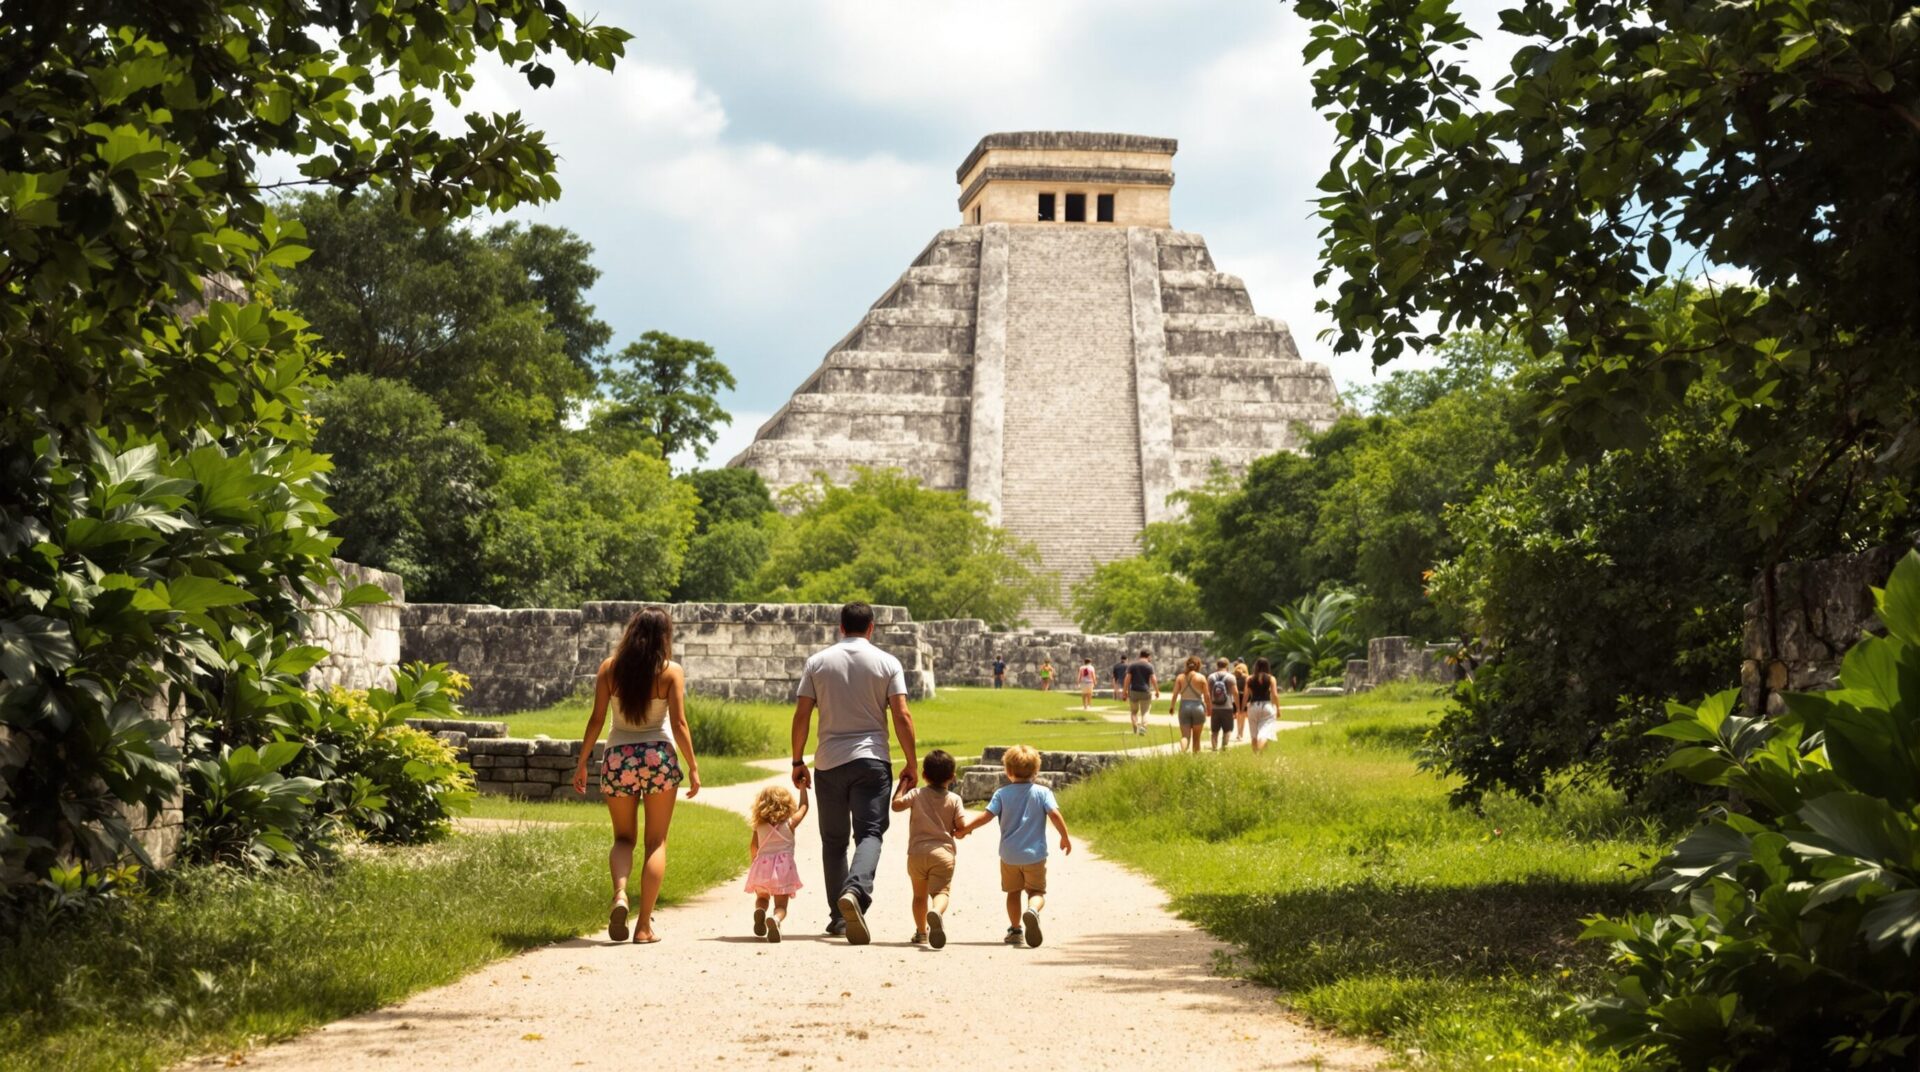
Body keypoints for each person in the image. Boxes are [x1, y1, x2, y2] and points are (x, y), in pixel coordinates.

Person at [791, 601, 918, 944]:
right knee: (870, 834)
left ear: (841, 627)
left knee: (833, 842)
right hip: (872, 760)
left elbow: (802, 715)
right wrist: (911, 761)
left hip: (829, 762)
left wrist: (797, 761)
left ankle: (839, 916)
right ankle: (856, 891)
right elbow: (902, 716)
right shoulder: (888, 663)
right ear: (871, 627)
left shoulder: (817, 663)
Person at [573, 608, 701, 945]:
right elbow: (679, 725)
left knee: (623, 839)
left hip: (618, 758)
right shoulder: (670, 672)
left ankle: (619, 895)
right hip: (658, 757)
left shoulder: (609, 668)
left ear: (631, 632)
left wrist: (583, 762)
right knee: (656, 841)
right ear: (665, 636)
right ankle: (643, 926)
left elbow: (597, 719)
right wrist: (693, 767)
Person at [957, 745, 1071, 948]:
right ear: (1036, 772)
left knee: (1013, 892)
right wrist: (1065, 836)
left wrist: (965, 829)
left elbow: (986, 817)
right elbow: (1054, 814)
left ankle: (1015, 929)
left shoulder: (1002, 794)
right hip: (1035, 855)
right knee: (1036, 892)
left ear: (1008, 772)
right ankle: (1033, 911)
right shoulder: (1043, 792)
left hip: (1009, 855)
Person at [889, 749, 965, 949]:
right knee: (941, 891)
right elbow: (962, 826)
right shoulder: (955, 799)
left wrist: (903, 784)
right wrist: (959, 831)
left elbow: (896, 805)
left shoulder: (916, 794)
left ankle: (921, 932)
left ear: (924, 776)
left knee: (919, 896)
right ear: (952, 777)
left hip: (917, 854)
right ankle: (937, 912)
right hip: (943, 854)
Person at [744, 785, 809, 943]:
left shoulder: (758, 826)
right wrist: (802, 789)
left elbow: (753, 847)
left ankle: (760, 910)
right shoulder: (790, 822)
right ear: (787, 804)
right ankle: (776, 919)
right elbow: (803, 807)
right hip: (782, 869)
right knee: (781, 905)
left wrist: (754, 864)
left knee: (763, 897)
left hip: (762, 867)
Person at [1167, 655, 1209, 754]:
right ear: (1198, 666)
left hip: (1184, 707)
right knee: (1197, 738)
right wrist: (1209, 708)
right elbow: (1207, 696)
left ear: (1187, 665)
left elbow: (1175, 694)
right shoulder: (1201, 678)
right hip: (1198, 707)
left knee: (1185, 736)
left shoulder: (1180, 677)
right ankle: (1196, 759)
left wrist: (1172, 707)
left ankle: (1182, 753)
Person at [1246, 657, 1281, 754]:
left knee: (1254, 735)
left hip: (1253, 706)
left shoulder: (1249, 678)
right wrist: (1277, 709)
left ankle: (1258, 757)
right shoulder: (1271, 678)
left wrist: (1242, 709)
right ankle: (1258, 754)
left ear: (1256, 666)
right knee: (1264, 734)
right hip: (1266, 706)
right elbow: (1274, 695)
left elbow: (1246, 695)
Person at [1207, 658, 1238, 752]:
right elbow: (1235, 693)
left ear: (1217, 665)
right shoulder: (1230, 677)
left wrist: (1209, 707)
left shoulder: (1211, 677)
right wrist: (1237, 707)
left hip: (1215, 708)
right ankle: (1224, 748)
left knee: (1214, 731)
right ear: (1227, 665)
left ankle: (1214, 749)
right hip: (1227, 707)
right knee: (1227, 730)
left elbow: (1208, 693)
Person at [1124, 650, 1157, 736]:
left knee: (1134, 711)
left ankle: (1135, 725)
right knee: (1145, 711)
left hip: (1134, 691)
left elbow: (1127, 679)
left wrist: (1125, 691)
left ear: (1140, 655)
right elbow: (1153, 679)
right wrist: (1157, 690)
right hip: (1145, 691)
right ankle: (1143, 728)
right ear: (1148, 656)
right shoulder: (1149, 666)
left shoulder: (1132, 665)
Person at [1232, 660, 1250, 742]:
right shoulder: (1247, 677)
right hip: (1244, 696)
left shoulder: (1234, 677)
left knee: (1238, 715)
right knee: (1242, 716)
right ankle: (1241, 733)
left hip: (1236, 697)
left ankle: (1238, 733)